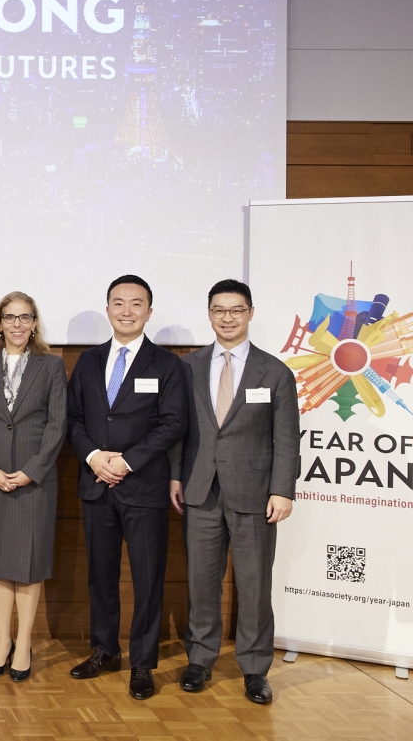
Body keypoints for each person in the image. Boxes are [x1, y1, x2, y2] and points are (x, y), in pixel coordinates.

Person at [172, 279, 299, 705]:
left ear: (250, 313)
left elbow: (287, 439)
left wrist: (283, 490)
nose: (227, 318)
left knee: (255, 584)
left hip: (256, 494)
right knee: (202, 582)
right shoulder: (186, 368)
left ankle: (255, 668)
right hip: (200, 490)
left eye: (236, 310)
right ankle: (200, 659)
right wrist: (175, 476)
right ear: (209, 314)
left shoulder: (275, 372)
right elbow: (178, 432)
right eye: (219, 310)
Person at [66, 275, 186, 700]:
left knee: (148, 579)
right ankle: (104, 650)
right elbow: (74, 419)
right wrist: (95, 456)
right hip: (97, 483)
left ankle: (142, 663)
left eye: (137, 304)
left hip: (144, 487)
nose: (127, 311)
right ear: (108, 309)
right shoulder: (88, 361)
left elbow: (174, 423)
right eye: (119, 303)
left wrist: (128, 461)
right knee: (101, 576)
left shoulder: (168, 365)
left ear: (149, 311)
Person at [0, 292, 67, 681]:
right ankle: (1, 641)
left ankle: (24, 643)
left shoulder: (51, 366)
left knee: (28, 566)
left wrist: (32, 470)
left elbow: (58, 426)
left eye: (24, 318)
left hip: (34, 482)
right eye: (9, 318)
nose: (16, 325)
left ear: (34, 323)